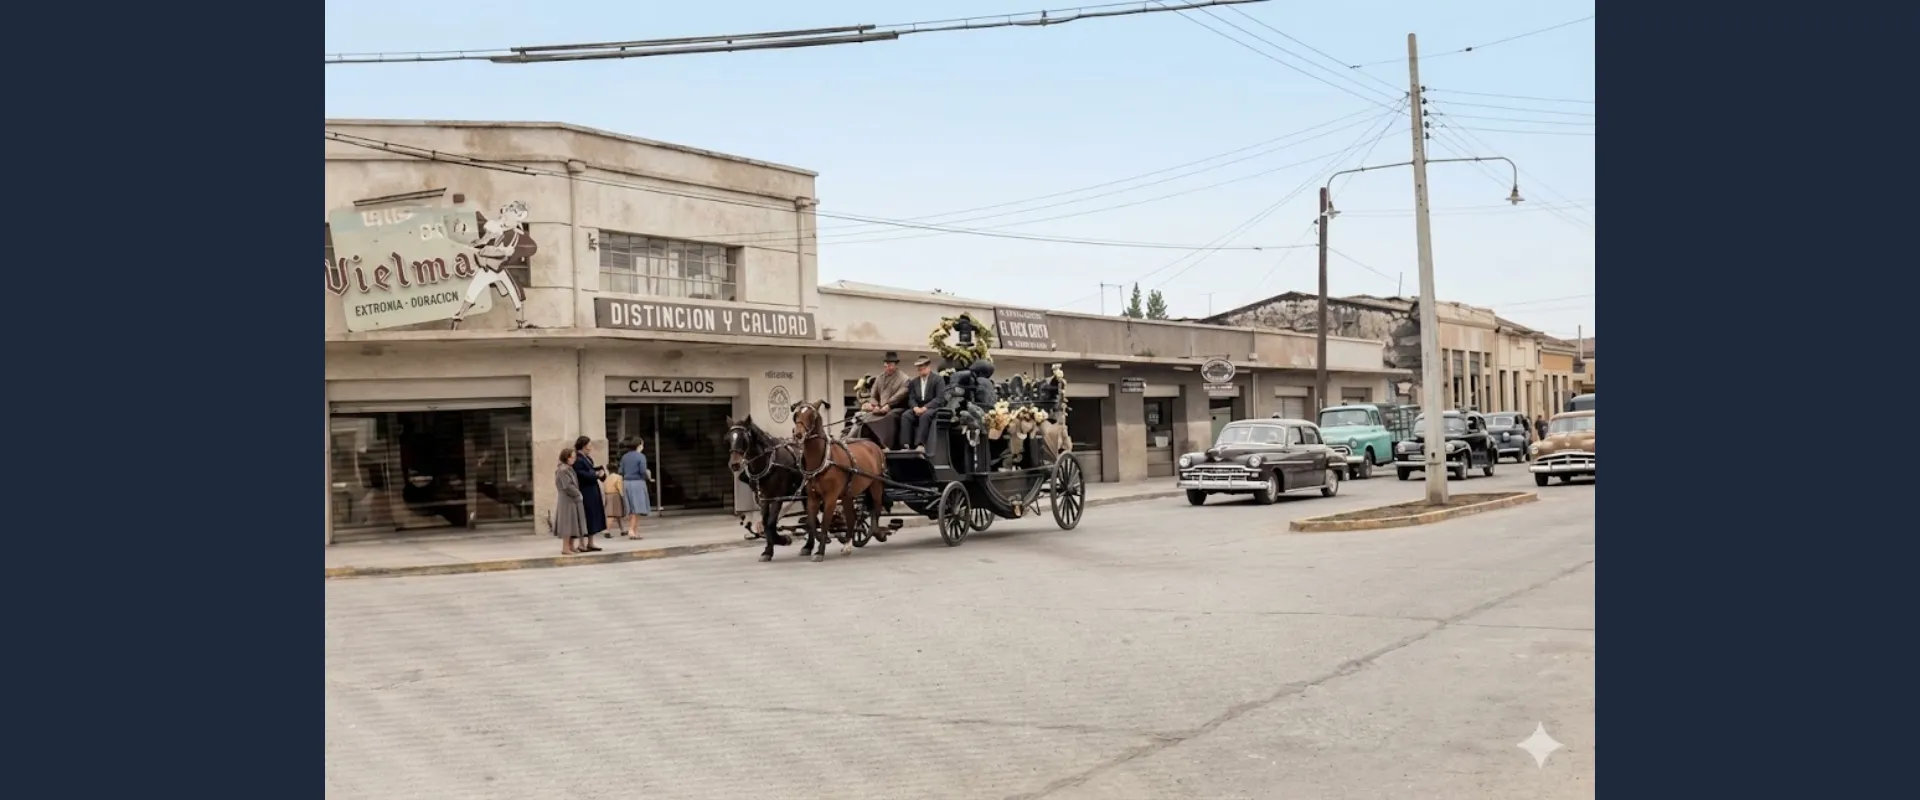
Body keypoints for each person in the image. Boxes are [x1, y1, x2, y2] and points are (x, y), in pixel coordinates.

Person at [860, 351, 911, 449]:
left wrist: (888, 405)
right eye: (886, 365)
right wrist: (875, 405)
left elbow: (899, 396)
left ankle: (887, 444)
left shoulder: (904, 379)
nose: (887, 367)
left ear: (895, 365)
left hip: (897, 408)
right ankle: (867, 442)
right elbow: (873, 396)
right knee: (865, 417)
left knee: (889, 417)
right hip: (880, 408)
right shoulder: (879, 378)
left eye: (890, 364)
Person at [902, 356, 948, 452]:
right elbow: (911, 398)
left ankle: (920, 444)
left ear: (928, 367)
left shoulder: (938, 380)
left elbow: (939, 398)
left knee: (925, 416)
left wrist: (925, 408)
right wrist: (915, 407)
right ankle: (906, 444)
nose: (921, 370)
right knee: (906, 415)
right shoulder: (914, 382)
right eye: (919, 369)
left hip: (932, 407)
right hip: (918, 407)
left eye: (923, 368)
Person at [554, 448, 591, 555]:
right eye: (572, 457)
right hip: (567, 500)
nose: (573, 459)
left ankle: (571, 545)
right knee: (567, 523)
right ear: (566, 457)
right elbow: (567, 486)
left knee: (574, 522)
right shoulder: (563, 470)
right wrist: (578, 494)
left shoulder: (569, 469)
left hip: (572, 499)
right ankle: (565, 547)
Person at [572, 436, 609, 541]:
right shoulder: (578, 459)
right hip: (586, 490)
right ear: (584, 446)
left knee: (593, 515)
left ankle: (590, 541)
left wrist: (599, 472)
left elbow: (590, 469)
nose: (591, 447)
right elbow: (581, 474)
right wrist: (596, 474)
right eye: (589, 445)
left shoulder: (587, 458)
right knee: (587, 515)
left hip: (592, 488)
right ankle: (582, 542)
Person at [619, 437, 654, 539]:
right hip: (637, 482)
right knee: (637, 508)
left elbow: (621, 471)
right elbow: (643, 470)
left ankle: (635, 530)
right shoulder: (641, 456)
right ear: (639, 446)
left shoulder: (625, 457)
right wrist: (648, 477)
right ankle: (632, 530)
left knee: (631, 508)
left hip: (626, 482)